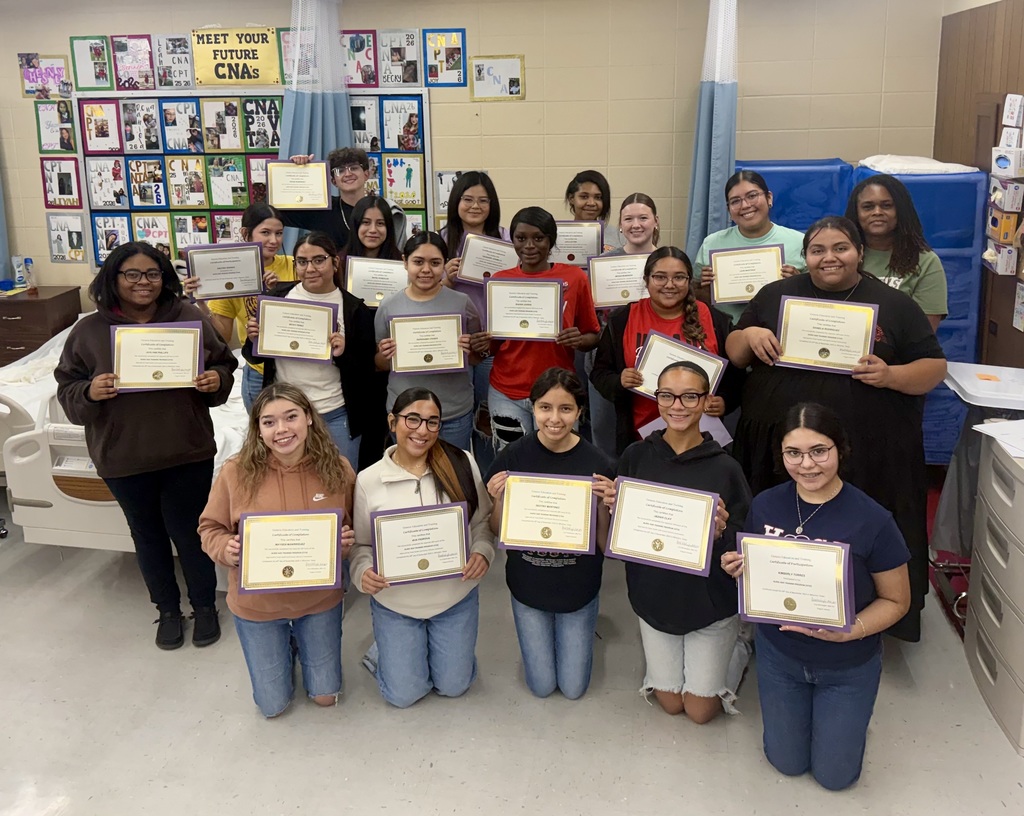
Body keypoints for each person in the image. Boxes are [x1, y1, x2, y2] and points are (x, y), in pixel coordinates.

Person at [725, 216, 946, 641]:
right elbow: (735, 354)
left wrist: (891, 375)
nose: (829, 257)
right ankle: (771, 601)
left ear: (860, 252)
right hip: (780, 453)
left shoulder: (894, 304)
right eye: (818, 250)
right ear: (805, 256)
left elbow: (934, 367)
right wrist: (750, 334)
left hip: (865, 456)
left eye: (840, 248)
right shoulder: (775, 295)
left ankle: (866, 611)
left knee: (854, 536)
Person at [55, 241, 237, 649]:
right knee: (148, 536)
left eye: (153, 274)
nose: (144, 282)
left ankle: (204, 606)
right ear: (113, 278)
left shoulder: (188, 318)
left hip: (187, 450)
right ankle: (167, 610)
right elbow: (67, 387)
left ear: (164, 278)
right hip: (124, 457)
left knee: (191, 534)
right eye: (132, 274)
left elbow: (224, 363)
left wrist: (216, 380)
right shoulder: (88, 331)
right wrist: (89, 391)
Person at [722, 403, 910, 790]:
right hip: (780, 656)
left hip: (847, 663)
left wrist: (853, 629)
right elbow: (761, 572)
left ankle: (848, 721)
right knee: (786, 763)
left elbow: (897, 601)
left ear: (841, 449)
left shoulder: (873, 519)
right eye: (793, 453)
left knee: (835, 777)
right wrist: (740, 567)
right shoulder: (766, 504)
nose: (807, 465)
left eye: (819, 451)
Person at [602, 361, 750, 723]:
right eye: (667, 395)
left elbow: (744, 539)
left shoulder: (726, 467)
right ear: (657, 399)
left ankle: (742, 644)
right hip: (655, 595)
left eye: (689, 396)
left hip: (708, 601)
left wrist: (721, 535)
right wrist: (613, 509)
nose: (677, 406)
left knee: (699, 711)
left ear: (706, 401)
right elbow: (621, 537)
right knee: (670, 703)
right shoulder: (636, 456)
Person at [199, 383, 356, 718]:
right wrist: (225, 548)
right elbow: (209, 528)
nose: (281, 429)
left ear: (309, 418)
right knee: (273, 706)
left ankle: (300, 641)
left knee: (326, 697)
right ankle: (285, 644)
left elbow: (352, 526)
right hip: (259, 606)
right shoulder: (235, 472)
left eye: (291, 417)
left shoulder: (338, 469)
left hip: (318, 600)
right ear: (258, 429)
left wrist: (344, 545)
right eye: (269, 422)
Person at [351, 387, 493, 708]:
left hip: (454, 597)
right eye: (412, 419)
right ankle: (385, 649)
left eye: (432, 422)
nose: (422, 430)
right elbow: (361, 544)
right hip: (396, 603)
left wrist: (482, 552)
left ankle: (419, 650)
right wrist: (363, 572)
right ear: (393, 421)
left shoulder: (462, 463)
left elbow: (482, 522)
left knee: (455, 686)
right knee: (403, 696)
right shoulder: (368, 480)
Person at [485, 368, 614, 699]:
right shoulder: (513, 456)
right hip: (528, 586)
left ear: (579, 412)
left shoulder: (598, 463)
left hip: (578, 588)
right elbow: (497, 531)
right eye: (545, 407)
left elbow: (604, 544)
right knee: (541, 687)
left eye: (565, 408)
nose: (554, 419)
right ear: (533, 408)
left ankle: (580, 629)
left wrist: (604, 505)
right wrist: (499, 501)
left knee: (573, 689)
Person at [591, 247, 743, 455]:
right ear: (646, 280)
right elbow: (600, 373)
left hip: (702, 439)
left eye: (679, 277)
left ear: (689, 281)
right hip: (641, 439)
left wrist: (725, 400)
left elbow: (737, 375)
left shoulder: (714, 318)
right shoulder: (623, 319)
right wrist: (619, 381)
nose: (669, 285)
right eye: (660, 277)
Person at [473, 207, 601, 452]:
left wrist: (578, 340)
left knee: (558, 464)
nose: (529, 246)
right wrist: (483, 344)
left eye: (538, 238)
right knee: (512, 462)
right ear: (512, 240)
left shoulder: (574, 277)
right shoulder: (500, 280)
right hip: (507, 391)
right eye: (521, 238)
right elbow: (495, 344)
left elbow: (593, 336)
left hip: (558, 392)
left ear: (550, 240)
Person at [243, 232, 375, 467]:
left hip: (335, 412)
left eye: (319, 260)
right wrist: (253, 339)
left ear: (335, 262)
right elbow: (253, 357)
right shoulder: (277, 298)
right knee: (291, 482)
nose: (310, 268)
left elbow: (367, 370)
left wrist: (343, 353)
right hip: (287, 414)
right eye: (302, 262)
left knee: (342, 481)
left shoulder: (355, 309)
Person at [375, 233, 482, 451]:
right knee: (409, 470)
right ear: (405, 262)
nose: (426, 270)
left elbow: (476, 359)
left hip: (452, 413)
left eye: (435, 263)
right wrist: (385, 355)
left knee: (453, 471)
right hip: (406, 414)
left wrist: (470, 349)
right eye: (418, 262)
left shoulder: (462, 303)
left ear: (444, 264)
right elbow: (380, 364)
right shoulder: (389, 305)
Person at [439, 171, 510, 465]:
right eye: (468, 199)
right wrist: (447, 280)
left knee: (487, 419)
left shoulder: (506, 238)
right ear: (456, 201)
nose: (475, 206)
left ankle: (487, 478)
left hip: (494, 345)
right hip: (455, 346)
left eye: (483, 200)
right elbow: (426, 292)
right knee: (457, 418)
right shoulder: (442, 240)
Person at [205, 203, 296, 412]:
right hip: (258, 371)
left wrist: (276, 291)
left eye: (279, 233)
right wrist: (201, 301)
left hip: (297, 367)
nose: (274, 240)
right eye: (265, 232)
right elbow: (223, 336)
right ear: (246, 233)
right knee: (263, 428)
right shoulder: (231, 275)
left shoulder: (295, 264)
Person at [694, 170, 807, 323]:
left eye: (752, 196)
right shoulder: (712, 243)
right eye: (735, 201)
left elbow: (817, 296)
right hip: (726, 329)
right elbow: (695, 297)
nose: (745, 205)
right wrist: (704, 288)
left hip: (781, 327)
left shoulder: (799, 242)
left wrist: (798, 284)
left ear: (769, 198)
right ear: (728, 210)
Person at [844, 174, 947, 332]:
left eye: (886, 206)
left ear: (900, 210)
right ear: (856, 213)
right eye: (868, 207)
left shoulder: (925, 261)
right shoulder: (840, 257)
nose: (877, 212)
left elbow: (925, 333)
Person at [285, 148, 407, 250]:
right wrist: (295, 169)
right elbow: (278, 211)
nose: (348, 174)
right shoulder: (322, 209)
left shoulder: (383, 210)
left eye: (354, 168)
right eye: (340, 170)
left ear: (366, 174)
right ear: (333, 181)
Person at [564, 170, 619, 251]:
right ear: (571, 198)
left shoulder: (618, 237)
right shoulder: (560, 236)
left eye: (598, 197)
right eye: (584, 197)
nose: (591, 203)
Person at [340, 195, 402, 263]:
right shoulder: (339, 263)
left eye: (380, 223)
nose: (373, 230)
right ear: (356, 225)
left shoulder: (402, 264)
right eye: (366, 222)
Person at [603, 193, 659, 257]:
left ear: (656, 221)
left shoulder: (666, 259)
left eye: (643, 218)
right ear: (621, 224)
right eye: (628, 219)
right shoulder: (606, 260)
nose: (636, 225)